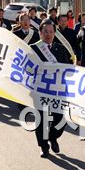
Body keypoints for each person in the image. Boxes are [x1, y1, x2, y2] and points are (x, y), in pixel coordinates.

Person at [31, 19, 72, 158]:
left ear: (55, 33)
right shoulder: (33, 49)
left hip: (57, 91)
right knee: (41, 120)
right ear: (40, 33)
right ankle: (43, 146)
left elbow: (67, 68)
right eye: (45, 32)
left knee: (60, 120)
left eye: (51, 32)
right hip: (40, 90)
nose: (48, 34)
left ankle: (53, 137)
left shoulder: (60, 49)